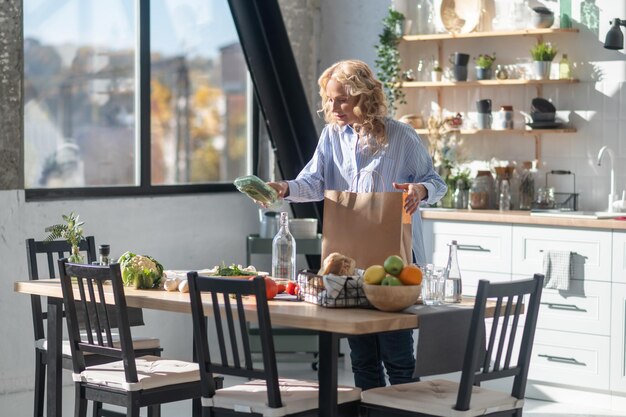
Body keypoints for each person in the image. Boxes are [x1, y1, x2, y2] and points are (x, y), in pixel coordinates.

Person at [266, 59, 447, 390]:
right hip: (349, 264)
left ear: (365, 98)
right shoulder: (332, 136)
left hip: (395, 266)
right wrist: (285, 188)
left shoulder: (402, 136)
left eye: (342, 99)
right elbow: (314, 182)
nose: (334, 107)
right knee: (362, 359)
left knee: (398, 358)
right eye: (330, 99)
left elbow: (437, 183)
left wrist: (420, 190)